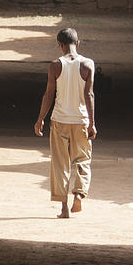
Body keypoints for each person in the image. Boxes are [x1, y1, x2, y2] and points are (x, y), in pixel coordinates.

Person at [33, 28, 97, 218]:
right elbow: (89, 95)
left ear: (60, 45)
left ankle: (63, 209)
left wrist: (40, 119)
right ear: (78, 43)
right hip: (81, 120)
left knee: (59, 164)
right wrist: (92, 123)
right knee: (82, 160)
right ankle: (78, 193)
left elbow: (49, 94)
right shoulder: (88, 64)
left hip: (59, 120)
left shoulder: (55, 65)